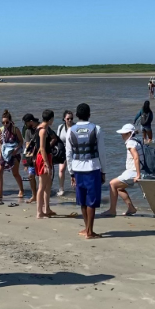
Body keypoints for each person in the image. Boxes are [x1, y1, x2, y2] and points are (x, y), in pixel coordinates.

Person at [66, 102, 107, 239]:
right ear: (89, 115)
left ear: (76, 115)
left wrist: (71, 173)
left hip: (77, 169)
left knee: (82, 200)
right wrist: (104, 171)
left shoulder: (70, 131)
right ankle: (90, 231)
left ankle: (87, 228)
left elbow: (68, 154)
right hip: (92, 168)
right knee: (92, 201)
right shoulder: (97, 129)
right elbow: (102, 153)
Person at [100, 123, 143, 217]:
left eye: (123, 133)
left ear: (129, 133)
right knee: (118, 188)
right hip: (135, 170)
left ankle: (112, 210)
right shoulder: (137, 140)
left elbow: (136, 158)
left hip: (134, 171)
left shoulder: (130, 143)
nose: (121, 135)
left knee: (112, 184)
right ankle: (131, 208)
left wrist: (138, 175)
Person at [0, 110, 24, 204]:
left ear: (10, 121)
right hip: (3, 153)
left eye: (7, 122)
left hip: (13, 153)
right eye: (3, 122)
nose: (5, 124)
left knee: (15, 173)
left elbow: (21, 141)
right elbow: (0, 143)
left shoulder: (15, 130)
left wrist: (16, 149)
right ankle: (0, 192)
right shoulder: (0, 130)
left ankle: (21, 190)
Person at [36, 109, 56, 219]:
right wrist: (47, 163)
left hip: (47, 157)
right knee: (42, 186)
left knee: (48, 185)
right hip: (43, 158)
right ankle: (39, 212)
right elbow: (42, 148)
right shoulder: (42, 130)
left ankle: (46, 209)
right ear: (50, 119)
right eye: (53, 118)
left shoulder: (44, 128)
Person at [21, 113, 39, 203]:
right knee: (31, 176)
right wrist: (26, 162)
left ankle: (42, 195)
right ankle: (34, 195)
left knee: (42, 177)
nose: (25, 125)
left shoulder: (40, 128)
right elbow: (27, 145)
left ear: (30, 122)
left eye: (26, 123)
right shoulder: (27, 131)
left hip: (41, 155)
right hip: (31, 156)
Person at [56, 110, 74, 196]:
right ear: (64, 119)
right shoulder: (60, 127)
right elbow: (57, 139)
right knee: (61, 169)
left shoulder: (75, 127)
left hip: (73, 152)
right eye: (68, 118)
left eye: (71, 118)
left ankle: (76, 188)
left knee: (74, 171)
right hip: (63, 151)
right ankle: (61, 188)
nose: (70, 120)